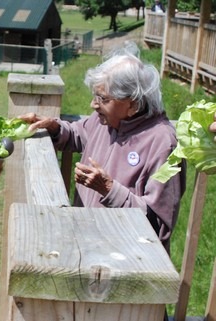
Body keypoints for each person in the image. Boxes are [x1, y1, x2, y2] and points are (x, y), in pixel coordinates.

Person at [19, 42, 186, 254]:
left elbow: (158, 224)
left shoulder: (164, 143)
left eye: (103, 99)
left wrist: (108, 189)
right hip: (86, 244)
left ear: (133, 104)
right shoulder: (105, 120)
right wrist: (53, 127)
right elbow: (79, 134)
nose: (93, 105)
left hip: (127, 260)